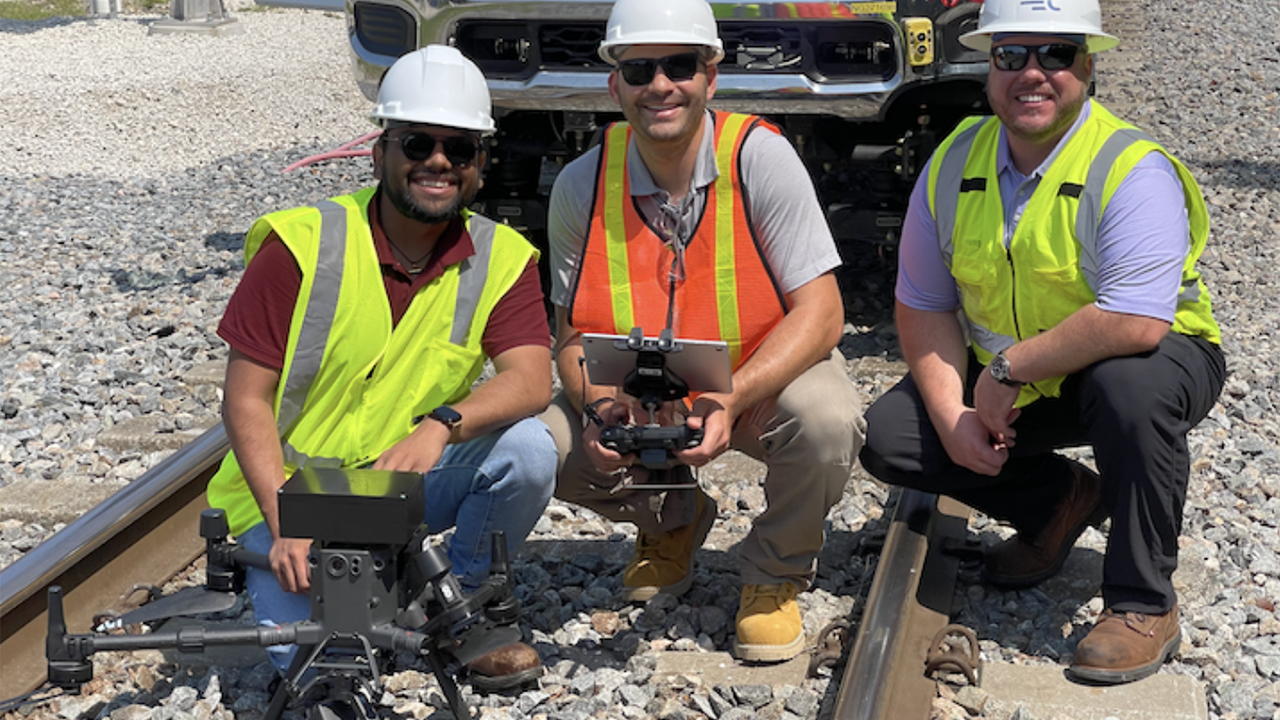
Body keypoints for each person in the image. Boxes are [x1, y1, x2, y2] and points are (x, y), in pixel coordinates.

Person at [857, 0, 1226, 685]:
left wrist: (1004, 370)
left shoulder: (1130, 165)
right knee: (894, 433)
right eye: (1011, 55)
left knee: (1129, 390)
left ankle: (1144, 604)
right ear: (988, 68)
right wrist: (953, 416)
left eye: (1055, 54)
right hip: (1024, 375)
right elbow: (924, 303)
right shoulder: (952, 161)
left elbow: (1136, 321)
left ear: (1086, 66)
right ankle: (1058, 503)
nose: (1033, 72)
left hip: (1145, 359)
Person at [205, 45, 557, 691]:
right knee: (322, 669)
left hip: (400, 485)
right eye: (418, 143)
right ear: (381, 152)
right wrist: (287, 523)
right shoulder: (300, 245)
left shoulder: (501, 256)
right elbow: (246, 400)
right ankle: (361, 601)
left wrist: (441, 425)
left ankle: (461, 610)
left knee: (530, 448)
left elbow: (533, 381)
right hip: (288, 495)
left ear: (481, 163)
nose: (438, 162)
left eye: (460, 148)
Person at [539, 0, 866, 663]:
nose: (660, 85)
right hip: (647, 398)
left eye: (679, 65)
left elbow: (823, 312)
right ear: (615, 86)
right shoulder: (581, 183)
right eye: (639, 70)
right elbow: (569, 338)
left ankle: (774, 574)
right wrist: (599, 406)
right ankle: (673, 522)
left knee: (829, 418)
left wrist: (731, 396)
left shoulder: (760, 159)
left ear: (710, 76)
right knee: (538, 443)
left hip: (756, 385)